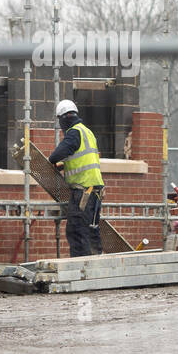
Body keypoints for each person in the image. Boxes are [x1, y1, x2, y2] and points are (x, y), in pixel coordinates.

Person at [48, 99, 104, 257]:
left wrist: (54, 162)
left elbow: (55, 156)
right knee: (91, 229)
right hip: (96, 191)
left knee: (77, 231)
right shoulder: (87, 132)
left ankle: (82, 271)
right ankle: (96, 268)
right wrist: (64, 166)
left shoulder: (74, 133)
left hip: (83, 192)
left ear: (64, 118)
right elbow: (83, 159)